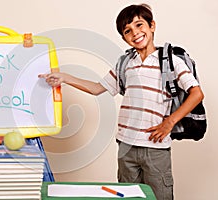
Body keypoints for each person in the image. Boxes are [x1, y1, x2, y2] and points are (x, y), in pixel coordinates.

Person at [39, 4, 204, 200]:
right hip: (126, 146)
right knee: (128, 196)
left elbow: (196, 93)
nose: (135, 33)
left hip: (156, 149)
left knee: (160, 195)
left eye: (139, 25)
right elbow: (97, 88)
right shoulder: (125, 63)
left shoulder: (169, 61)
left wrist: (170, 122)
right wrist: (65, 77)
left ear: (152, 26)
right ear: (124, 37)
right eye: (128, 31)